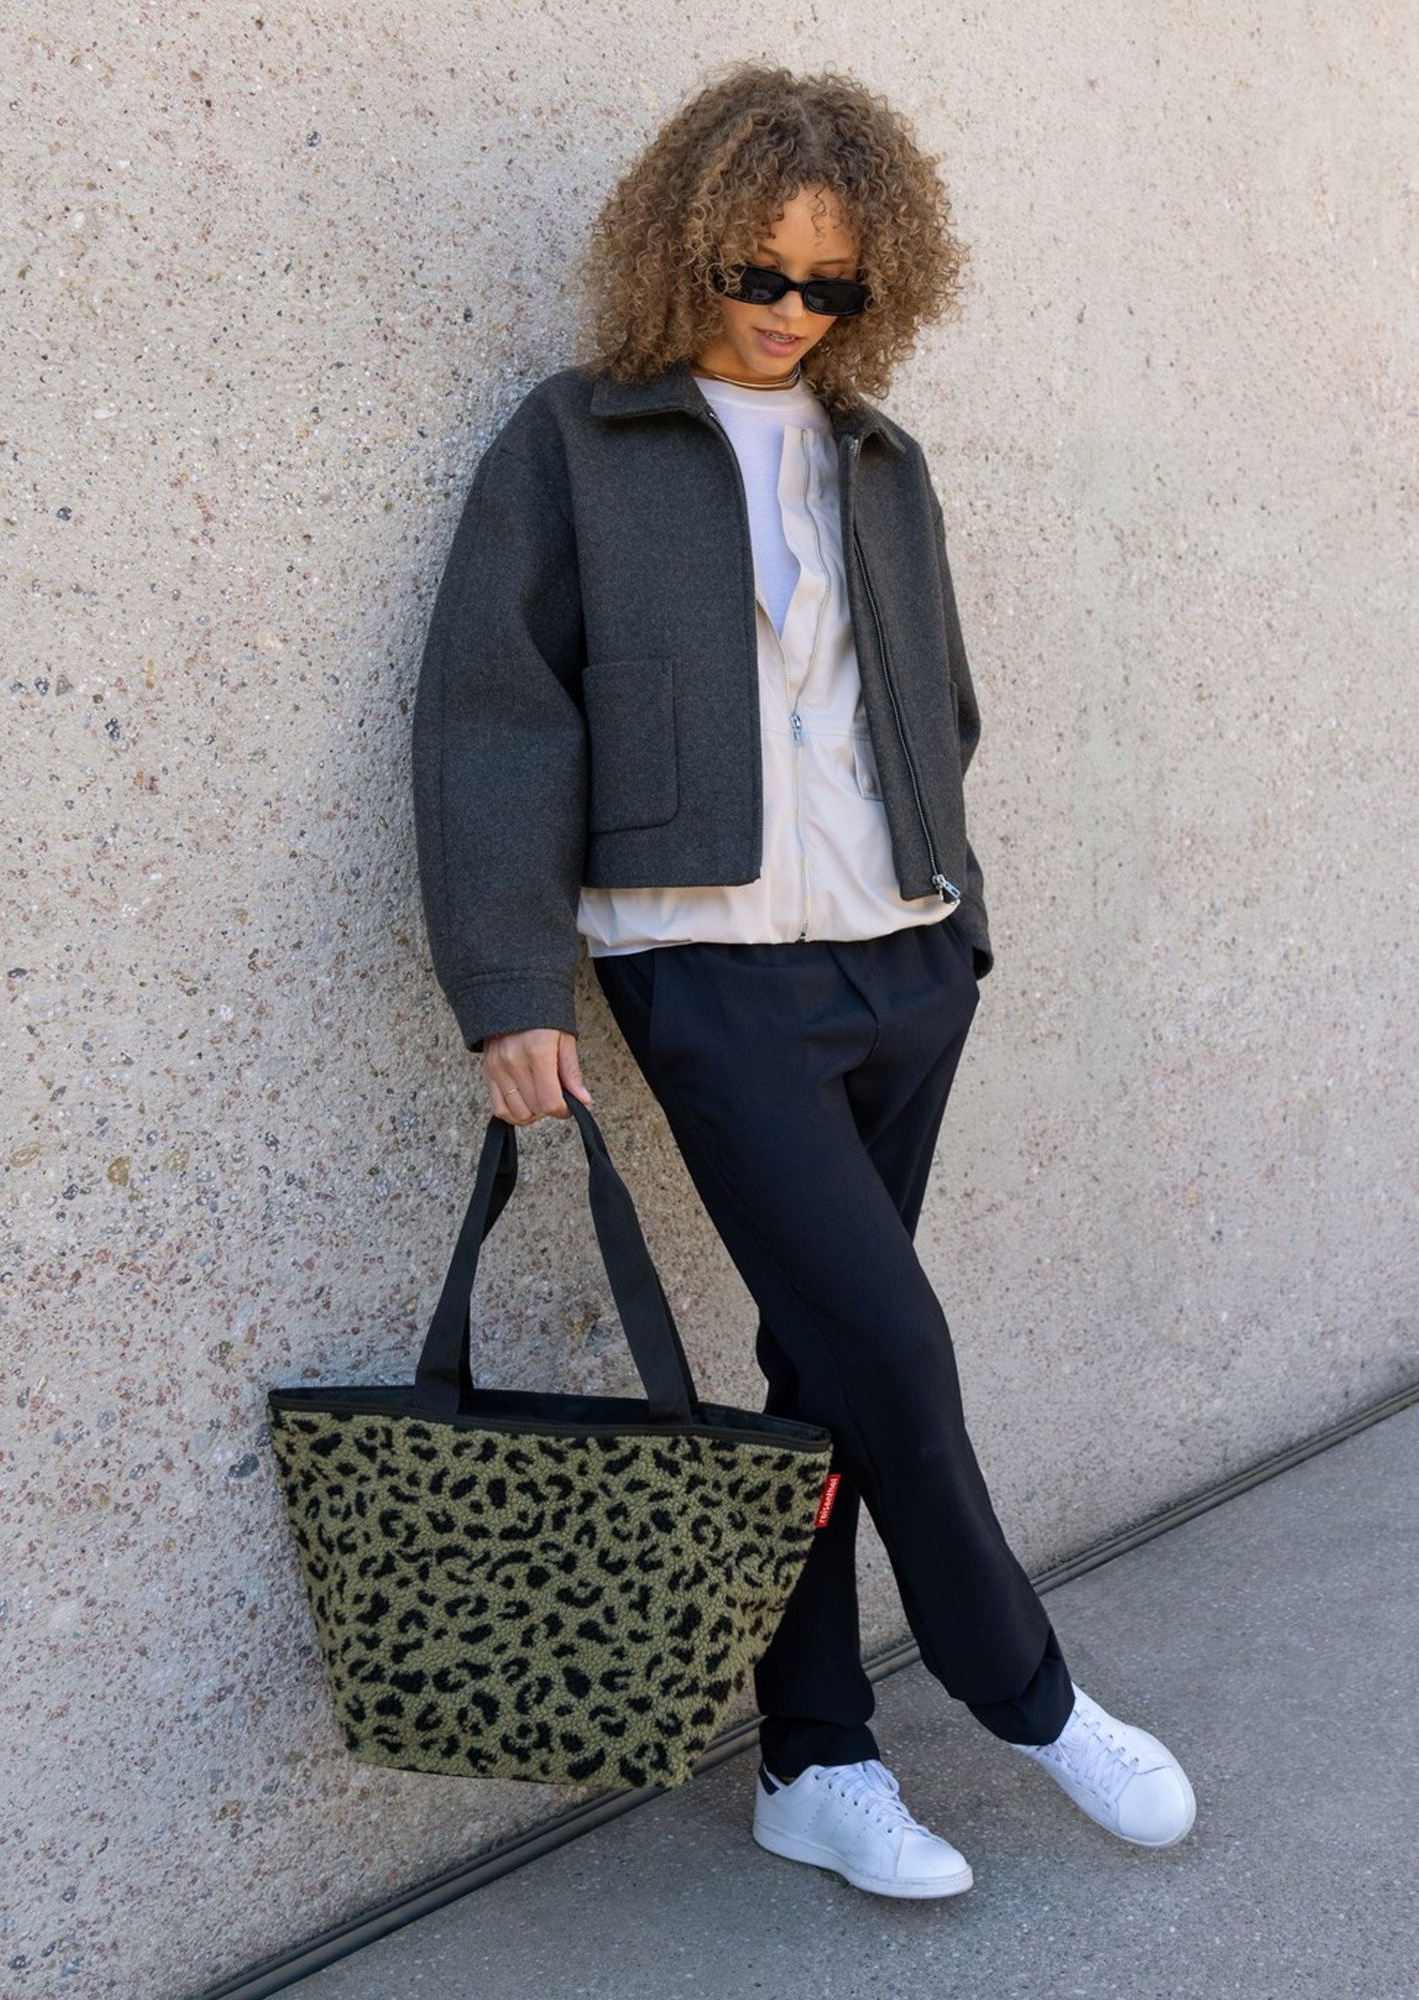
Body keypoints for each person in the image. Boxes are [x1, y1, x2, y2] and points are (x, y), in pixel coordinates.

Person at [410, 60, 1195, 1898]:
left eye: (830, 286)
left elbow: (936, 706)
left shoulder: (878, 459)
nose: (786, 312)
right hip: (709, 974)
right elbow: (492, 720)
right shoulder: (576, 441)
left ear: (877, 285)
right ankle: (1024, 1687)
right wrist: (512, 983)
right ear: (681, 248)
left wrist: (952, 917)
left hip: (903, 965)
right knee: (891, 1339)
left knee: (822, 1361)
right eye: (754, 273)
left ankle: (815, 1758)